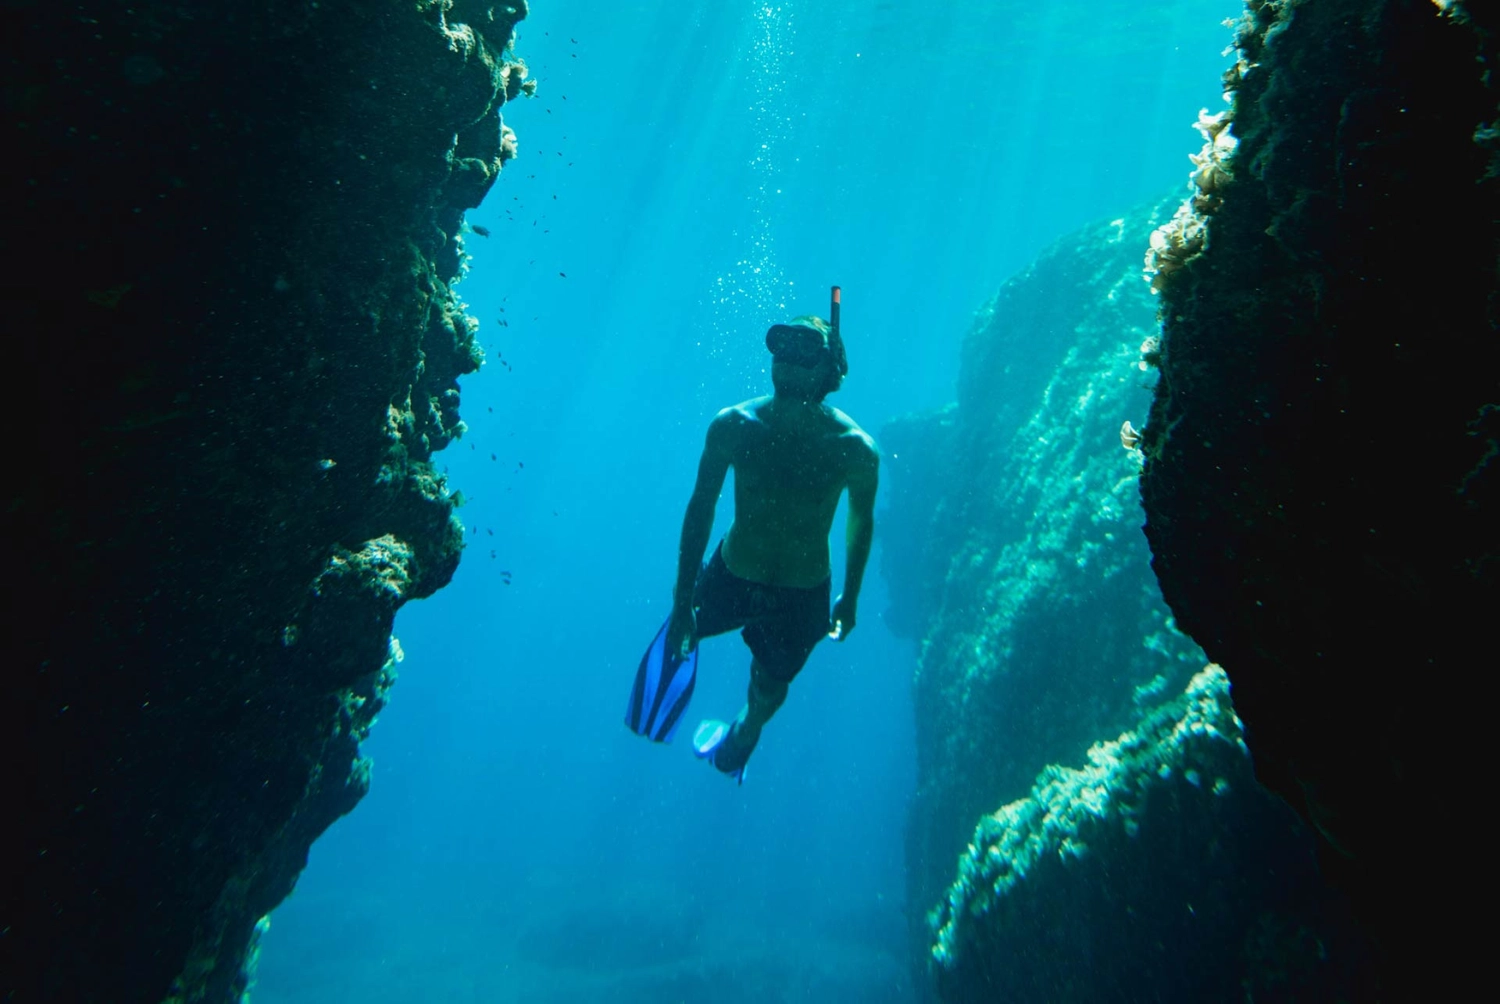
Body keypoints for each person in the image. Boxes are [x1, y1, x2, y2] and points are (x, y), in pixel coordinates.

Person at [665, 312, 879, 780]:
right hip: (732, 573)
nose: (787, 358)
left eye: (804, 348)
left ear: (830, 369)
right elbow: (699, 509)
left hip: (801, 598)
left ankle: (745, 733)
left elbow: (861, 522)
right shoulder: (734, 426)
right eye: (781, 345)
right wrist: (682, 600)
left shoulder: (856, 449)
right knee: (678, 638)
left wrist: (850, 597)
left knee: (768, 687)